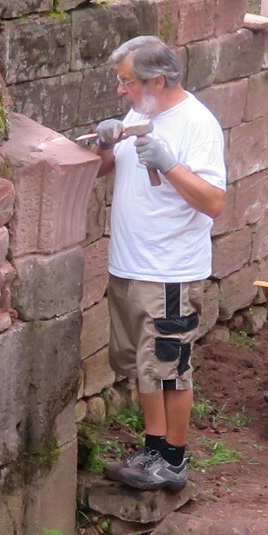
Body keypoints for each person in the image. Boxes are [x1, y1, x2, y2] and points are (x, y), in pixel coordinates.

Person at [95, 36, 228, 492]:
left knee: (170, 369)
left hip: (169, 271)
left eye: (126, 81)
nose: (120, 90)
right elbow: (105, 168)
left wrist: (169, 165)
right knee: (144, 366)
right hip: (129, 265)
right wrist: (105, 145)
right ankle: (152, 449)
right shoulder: (140, 112)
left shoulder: (197, 124)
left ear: (157, 80)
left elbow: (214, 202)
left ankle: (173, 460)